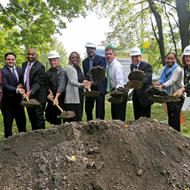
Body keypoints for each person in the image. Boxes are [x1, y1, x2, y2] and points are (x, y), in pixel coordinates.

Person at [1, 52, 26, 138]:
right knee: (8, 126)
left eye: (12, 59)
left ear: (15, 60)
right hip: (7, 104)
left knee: (22, 124)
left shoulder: (20, 69)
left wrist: (21, 85)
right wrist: (16, 89)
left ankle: (23, 142)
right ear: (5, 60)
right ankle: (8, 146)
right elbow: (4, 85)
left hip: (19, 102)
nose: (11, 61)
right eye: (8, 59)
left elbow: (23, 81)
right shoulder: (2, 71)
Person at [22, 48, 47, 130]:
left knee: (38, 119)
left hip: (38, 97)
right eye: (28, 54)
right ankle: (34, 136)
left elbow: (38, 82)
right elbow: (25, 79)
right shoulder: (24, 65)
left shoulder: (40, 67)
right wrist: (21, 85)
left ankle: (41, 136)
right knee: (31, 118)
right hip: (28, 97)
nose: (30, 56)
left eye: (32, 54)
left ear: (36, 56)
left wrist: (31, 91)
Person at [158, 52, 184, 132]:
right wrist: (158, 83)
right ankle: (172, 138)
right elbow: (161, 80)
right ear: (165, 59)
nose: (170, 60)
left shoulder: (178, 70)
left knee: (175, 120)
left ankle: (178, 138)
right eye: (168, 58)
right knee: (170, 118)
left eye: (172, 58)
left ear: (175, 60)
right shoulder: (164, 69)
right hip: (169, 97)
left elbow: (172, 80)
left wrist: (162, 86)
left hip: (177, 97)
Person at [82, 42, 107, 121]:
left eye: (91, 49)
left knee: (100, 109)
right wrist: (86, 82)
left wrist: (92, 82)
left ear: (95, 49)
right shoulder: (84, 62)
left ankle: (100, 125)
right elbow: (86, 74)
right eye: (88, 49)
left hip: (99, 87)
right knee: (88, 108)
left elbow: (101, 75)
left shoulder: (101, 59)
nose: (90, 50)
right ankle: (90, 124)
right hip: (89, 88)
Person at [65, 52, 91, 121]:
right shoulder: (69, 68)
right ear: (70, 59)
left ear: (79, 59)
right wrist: (82, 85)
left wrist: (85, 82)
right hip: (72, 97)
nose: (75, 59)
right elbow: (72, 81)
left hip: (80, 95)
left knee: (79, 115)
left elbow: (81, 79)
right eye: (73, 58)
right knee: (73, 117)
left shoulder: (80, 68)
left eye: (76, 57)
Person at [130, 47, 153, 120]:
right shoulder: (132, 66)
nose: (134, 59)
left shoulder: (146, 65)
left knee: (145, 119)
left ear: (140, 56)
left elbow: (147, 78)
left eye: (136, 56)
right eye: (132, 57)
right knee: (137, 117)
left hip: (145, 97)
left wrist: (138, 84)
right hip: (136, 96)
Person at [105, 47, 127, 121]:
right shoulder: (109, 66)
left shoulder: (117, 66)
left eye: (110, 54)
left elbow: (120, 84)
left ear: (114, 55)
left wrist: (115, 95)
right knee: (114, 115)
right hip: (114, 91)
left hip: (120, 91)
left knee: (119, 116)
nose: (108, 56)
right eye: (106, 54)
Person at [45, 51, 66, 125]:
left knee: (61, 116)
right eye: (50, 60)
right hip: (52, 97)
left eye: (54, 60)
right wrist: (49, 92)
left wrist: (56, 98)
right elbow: (46, 84)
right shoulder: (47, 72)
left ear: (58, 60)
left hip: (61, 97)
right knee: (54, 118)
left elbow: (61, 85)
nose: (52, 62)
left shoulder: (62, 71)